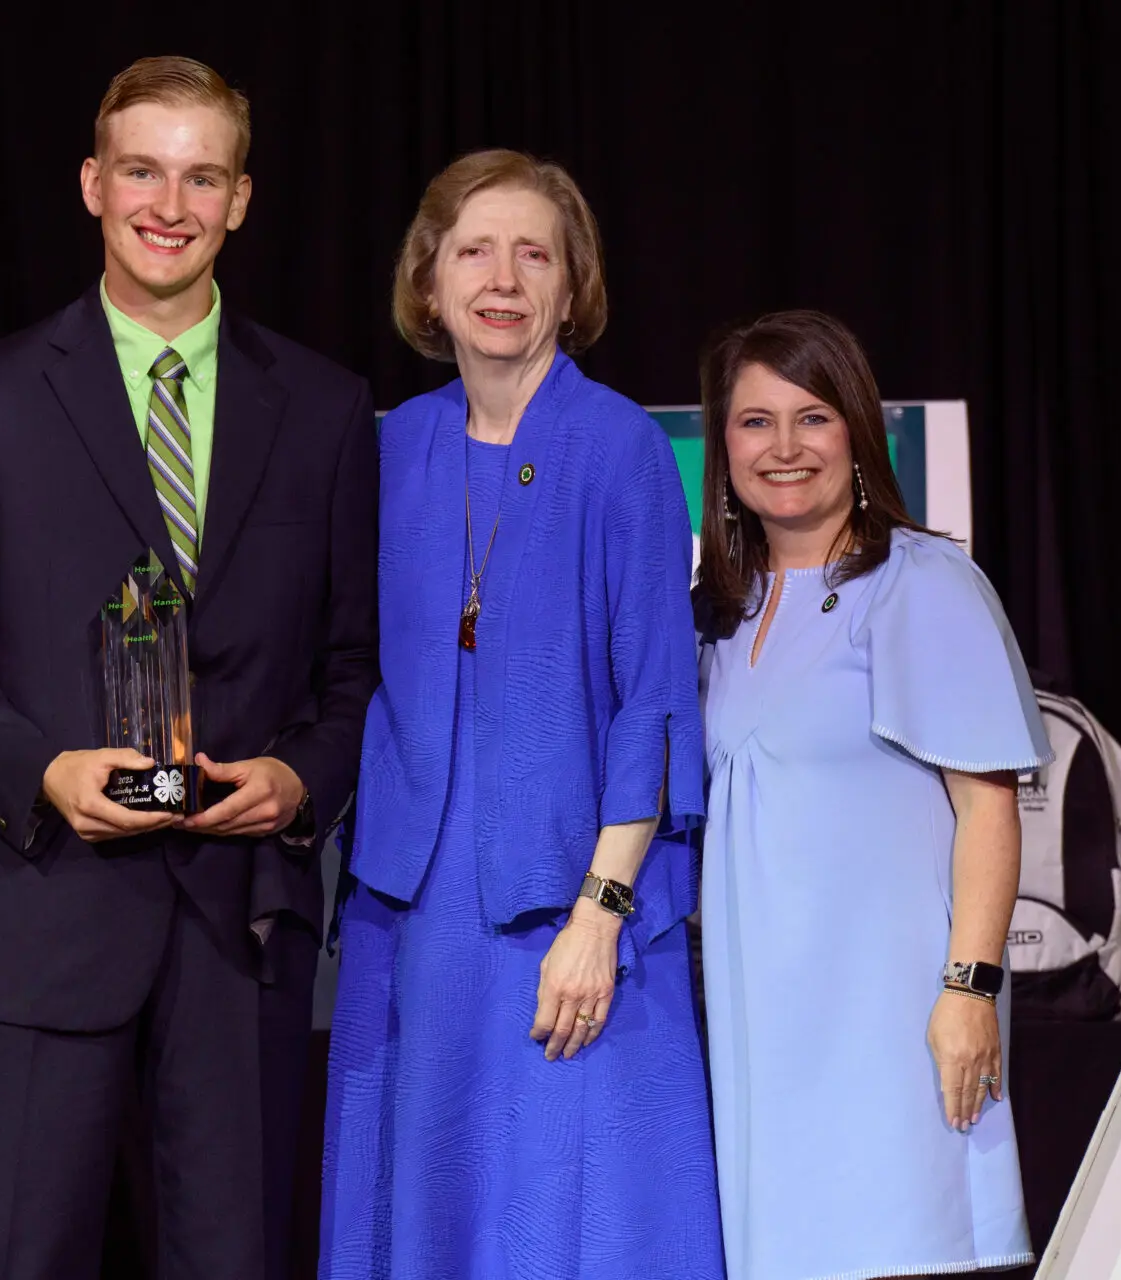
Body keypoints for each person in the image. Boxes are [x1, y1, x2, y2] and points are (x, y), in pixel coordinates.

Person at [0, 56, 377, 1280]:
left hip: (240, 924)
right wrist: (42, 769)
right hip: (47, 910)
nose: (172, 201)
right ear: (94, 184)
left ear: (242, 198)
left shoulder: (322, 406)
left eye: (201, 175)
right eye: (144, 170)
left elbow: (358, 664)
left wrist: (300, 780)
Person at [321, 150, 723, 1278]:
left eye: (533, 252)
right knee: (424, 1221)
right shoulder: (389, 447)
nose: (503, 277)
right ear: (430, 278)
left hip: (570, 914)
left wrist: (600, 912)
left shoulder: (622, 447)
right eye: (474, 250)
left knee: (568, 1222)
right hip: (412, 920)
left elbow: (653, 698)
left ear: (570, 282)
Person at [695, 309, 1051, 1279]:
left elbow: (986, 805)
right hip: (766, 1027)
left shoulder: (920, 582)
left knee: (898, 1245)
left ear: (857, 429)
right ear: (721, 444)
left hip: (897, 1022)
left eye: (812, 417)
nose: (783, 446)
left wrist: (969, 988)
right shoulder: (720, 613)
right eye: (754, 420)